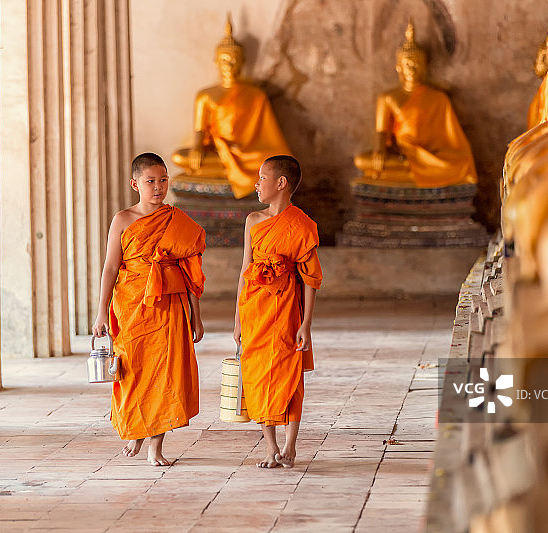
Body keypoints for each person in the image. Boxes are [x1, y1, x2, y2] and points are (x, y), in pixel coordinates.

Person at [92, 152, 206, 466]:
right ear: (135, 184)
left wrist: (196, 315)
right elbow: (111, 267)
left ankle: (156, 446)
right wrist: (101, 311)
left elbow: (190, 271)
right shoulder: (123, 219)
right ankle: (136, 427)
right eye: (150, 181)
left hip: (169, 304)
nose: (158, 188)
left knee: (166, 374)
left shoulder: (176, 220)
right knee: (132, 370)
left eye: (163, 181)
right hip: (130, 305)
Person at [233, 155, 322, 468]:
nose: (257, 184)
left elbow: (311, 280)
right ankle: (270, 447)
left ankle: (290, 446)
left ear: (281, 183)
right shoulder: (253, 221)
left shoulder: (301, 225)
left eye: (262, 178)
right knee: (257, 374)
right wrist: (237, 319)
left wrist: (306, 324)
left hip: (287, 310)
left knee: (289, 374)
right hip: (255, 310)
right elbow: (245, 268)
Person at [171, 16, 291, 199]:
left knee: (277, 164)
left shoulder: (256, 95)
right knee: (179, 157)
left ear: (242, 62)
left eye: (234, 60)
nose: (229, 65)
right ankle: (225, 169)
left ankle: (227, 171)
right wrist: (197, 148)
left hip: (250, 154)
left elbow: (269, 137)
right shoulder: (205, 95)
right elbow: (199, 129)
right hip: (218, 151)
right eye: (224, 60)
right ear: (216, 62)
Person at [354, 21, 477, 187]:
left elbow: (452, 140)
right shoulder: (388, 98)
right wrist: (379, 151)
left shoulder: (438, 98)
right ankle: (414, 171)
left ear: (425, 67)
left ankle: (409, 172)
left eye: (417, 64)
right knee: (361, 161)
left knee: (461, 163)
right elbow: (381, 132)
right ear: (399, 67)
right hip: (402, 155)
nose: (412, 68)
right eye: (408, 64)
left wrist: (430, 158)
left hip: (432, 156)